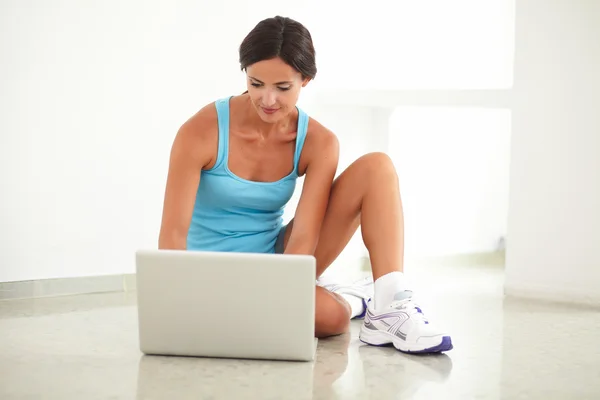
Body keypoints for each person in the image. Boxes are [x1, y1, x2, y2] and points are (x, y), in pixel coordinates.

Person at [158, 15, 452, 354]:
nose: (267, 99)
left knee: (334, 317)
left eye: (282, 88)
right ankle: (353, 296)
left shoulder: (318, 141)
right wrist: (178, 302)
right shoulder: (201, 130)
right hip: (209, 273)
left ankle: (389, 306)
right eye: (256, 83)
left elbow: (303, 237)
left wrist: (285, 289)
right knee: (322, 314)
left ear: (305, 80)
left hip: (276, 260)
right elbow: (172, 236)